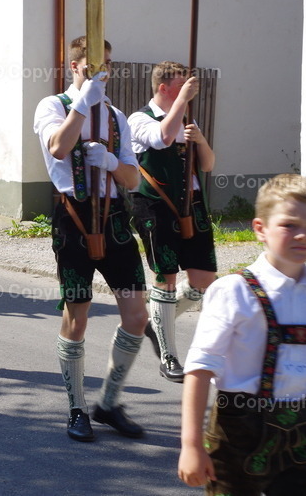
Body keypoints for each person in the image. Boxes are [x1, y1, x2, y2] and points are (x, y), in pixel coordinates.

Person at [33, 36, 147, 442]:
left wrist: (114, 162)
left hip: (115, 219)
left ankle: (109, 401)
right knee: (77, 316)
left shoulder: (117, 117)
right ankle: (76, 406)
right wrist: (83, 101)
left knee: (137, 316)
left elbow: (134, 178)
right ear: (74, 66)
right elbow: (59, 147)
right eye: (93, 66)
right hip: (74, 218)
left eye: (108, 66)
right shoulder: (53, 106)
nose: (103, 73)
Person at [178, 174, 306, 494]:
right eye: (289, 225)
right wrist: (191, 445)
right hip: (238, 429)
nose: (302, 234)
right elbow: (199, 369)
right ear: (260, 229)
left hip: (302, 430)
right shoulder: (233, 291)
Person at [128, 61, 217, 383]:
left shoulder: (187, 119)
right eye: (183, 87)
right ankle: (169, 355)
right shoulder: (138, 119)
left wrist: (201, 141)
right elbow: (162, 139)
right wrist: (182, 105)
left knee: (204, 280)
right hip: (155, 205)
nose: (189, 92)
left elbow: (207, 165)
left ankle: (156, 322)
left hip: (192, 205)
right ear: (164, 88)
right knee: (165, 276)